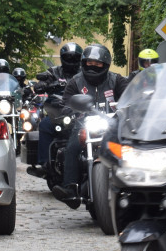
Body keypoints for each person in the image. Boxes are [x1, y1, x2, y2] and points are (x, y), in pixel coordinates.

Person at [51, 44, 127, 208]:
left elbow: (130, 98)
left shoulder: (116, 80)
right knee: (72, 146)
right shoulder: (76, 82)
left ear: (105, 65)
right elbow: (66, 102)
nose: (93, 66)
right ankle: (70, 188)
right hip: (85, 124)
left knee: (129, 147)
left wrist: (128, 108)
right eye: (89, 63)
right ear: (83, 63)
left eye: (97, 63)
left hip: (112, 124)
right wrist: (70, 111)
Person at [27, 43, 83, 177]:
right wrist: (45, 84)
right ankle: (45, 163)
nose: (71, 61)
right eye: (68, 58)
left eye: (75, 58)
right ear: (63, 58)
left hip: (79, 111)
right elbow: (40, 84)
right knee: (45, 125)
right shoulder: (54, 71)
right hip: (57, 110)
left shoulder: (84, 73)